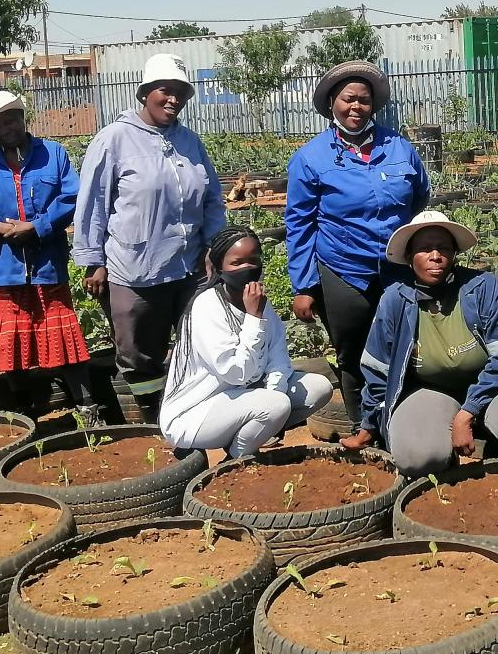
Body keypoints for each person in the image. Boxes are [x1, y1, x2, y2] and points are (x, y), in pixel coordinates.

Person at [341, 211, 498, 477]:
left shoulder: (484, 288)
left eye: (443, 247)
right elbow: (377, 370)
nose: (435, 255)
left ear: (454, 253)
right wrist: (368, 425)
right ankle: (444, 461)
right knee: (418, 458)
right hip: (430, 390)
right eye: (424, 249)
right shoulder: (395, 301)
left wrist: (468, 411)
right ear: (409, 257)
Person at [74, 53, 225, 422]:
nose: (173, 99)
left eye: (180, 93)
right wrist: (94, 260)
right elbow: (92, 202)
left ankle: (190, 416)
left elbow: (212, 198)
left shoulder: (190, 142)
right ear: (145, 94)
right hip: (135, 270)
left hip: (189, 268)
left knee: (197, 343)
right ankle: (151, 416)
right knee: (139, 353)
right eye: (165, 91)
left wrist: (214, 247)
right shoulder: (113, 140)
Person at [285, 60, 430, 432]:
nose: (356, 107)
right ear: (332, 101)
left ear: (374, 105)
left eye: (364, 101)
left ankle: (403, 424)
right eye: (348, 99)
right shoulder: (311, 157)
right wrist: (303, 286)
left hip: (396, 268)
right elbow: (300, 223)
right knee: (352, 353)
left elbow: (419, 199)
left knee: (404, 343)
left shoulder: (399, 148)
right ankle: (360, 426)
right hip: (342, 270)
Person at [0, 91, 101, 426]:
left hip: (46, 268)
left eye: (11, 120)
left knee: (65, 343)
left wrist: (36, 226)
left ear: (23, 118)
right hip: (0, 272)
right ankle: (23, 414)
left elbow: (71, 196)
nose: (6, 128)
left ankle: (87, 409)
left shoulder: (54, 154)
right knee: (10, 348)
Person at [160, 226, 333, 458]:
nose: (247, 268)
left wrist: (274, 395)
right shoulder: (207, 306)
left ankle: (249, 433)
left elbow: (279, 359)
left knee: (318, 388)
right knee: (275, 405)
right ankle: (236, 460)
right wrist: (253, 318)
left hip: (241, 396)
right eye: (237, 263)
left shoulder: (261, 304)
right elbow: (235, 373)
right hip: (196, 412)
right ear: (220, 266)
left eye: (253, 260)